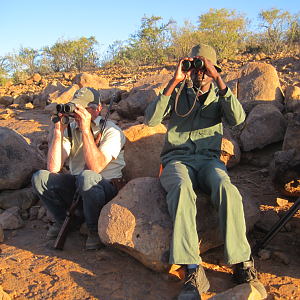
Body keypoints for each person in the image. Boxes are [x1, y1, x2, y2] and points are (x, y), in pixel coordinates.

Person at [144, 44, 267, 300]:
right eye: (195, 66)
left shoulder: (220, 95)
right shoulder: (178, 92)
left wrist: (219, 80)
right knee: (181, 189)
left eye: (204, 67)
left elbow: (238, 119)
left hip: (210, 161)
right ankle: (192, 270)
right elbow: (151, 120)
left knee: (226, 188)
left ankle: (242, 263)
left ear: (213, 69)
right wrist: (173, 81)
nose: (199, 72)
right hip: (177, 160)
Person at [31, 87, 126, 250]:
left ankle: (94, 229)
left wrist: (85, 130)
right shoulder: (70, 129)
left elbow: (95, 167)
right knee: (40, 178)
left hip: (104, 189)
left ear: (97, 109)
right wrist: (58, 132)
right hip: (78, 187)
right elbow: (53, 168)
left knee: (87, 177)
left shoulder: (112, 131)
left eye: (83, 108)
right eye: (75, 107)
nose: (77, 112)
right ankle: (66, 221)